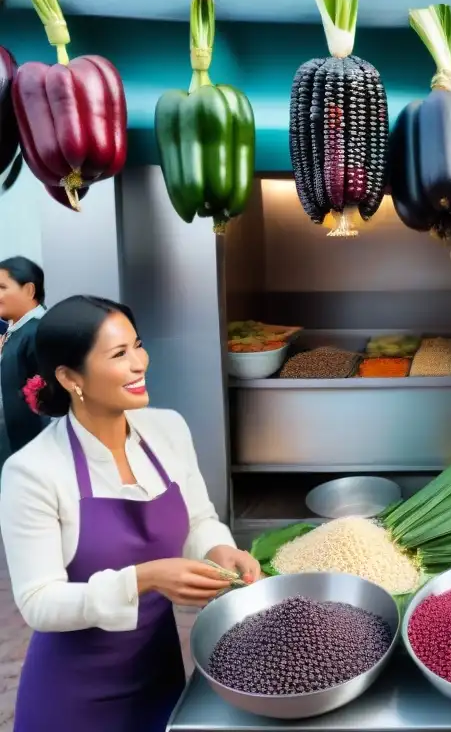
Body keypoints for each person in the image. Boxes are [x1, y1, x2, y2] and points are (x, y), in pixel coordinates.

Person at [0, 294, 261, 732]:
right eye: (119, 354)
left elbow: (198, 519)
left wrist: (219, 550)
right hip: (73, 695)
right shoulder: (32, 471)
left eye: (137, 345)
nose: (141, 362)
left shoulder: (169, 429)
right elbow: (39, 603)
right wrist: (147, 578)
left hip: (158, 674)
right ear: (68, 377)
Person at [0, 256, 47, 470]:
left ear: (29, 290)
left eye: (2, 287)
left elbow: (49, 401)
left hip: (32, 449)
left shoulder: (37, 331)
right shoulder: (15, 330)